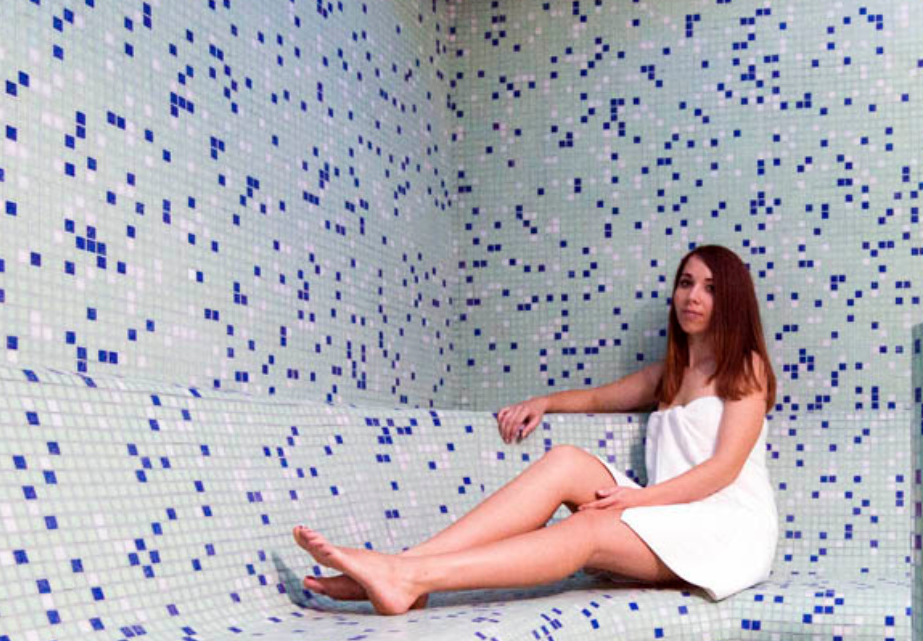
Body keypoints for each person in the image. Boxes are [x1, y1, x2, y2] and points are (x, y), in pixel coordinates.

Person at [293, 245, 779, 615]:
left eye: (710, 288)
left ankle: (410, 576)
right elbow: (596, 399)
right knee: (566, 461)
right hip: (671, 513)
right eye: (686, 283)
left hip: (725, 529)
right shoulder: (668, 374)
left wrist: (639, 500)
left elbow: (723, 469)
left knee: (589, 525)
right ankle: (400, 570)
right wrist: (543, 402)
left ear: (731, 301)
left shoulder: (747, 368)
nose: (693, 296)